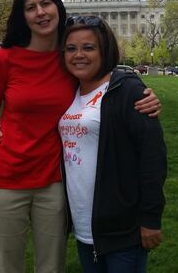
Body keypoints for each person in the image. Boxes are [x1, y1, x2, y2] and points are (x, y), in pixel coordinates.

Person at [0, 0, 161, 273]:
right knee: (7, 267)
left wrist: (142, 93)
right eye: (30, 7)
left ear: (58, 6)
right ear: (23, 15)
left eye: (45, 3)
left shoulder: (69, 58)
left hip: (53, 182)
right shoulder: (5, 59)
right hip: (4, 178)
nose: (40, 12)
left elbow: (104, 82)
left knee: (52, 267)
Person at [59, 15, 167, 272]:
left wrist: (151, 218)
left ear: (104, 50)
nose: (78, 55)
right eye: (71, 48)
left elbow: (153, 157)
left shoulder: (127, 90)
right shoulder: (70, 91)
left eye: (88, 47)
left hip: (123, 227)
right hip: (85, 226)